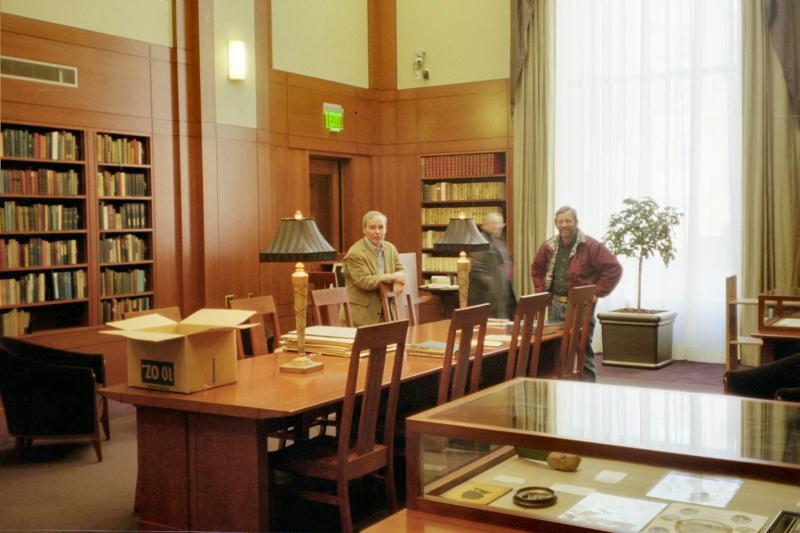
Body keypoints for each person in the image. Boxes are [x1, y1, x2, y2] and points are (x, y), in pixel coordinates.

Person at [531, 206, 622, 382]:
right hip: (555, 305)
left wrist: (597, 292)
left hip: (581, 306)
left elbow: (614, 269)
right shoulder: (548, 246)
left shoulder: (591, 246)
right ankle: (561, 387)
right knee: (556, 349)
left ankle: (588, 387)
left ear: (576, 222)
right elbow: (536, 269)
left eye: (568, 221)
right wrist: (542, 293)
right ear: (556, 223)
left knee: (582, 349)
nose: (564, 225)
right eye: (560, 221)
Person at [342, 210, 405, 326]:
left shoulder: (391, 248)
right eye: (372, 227)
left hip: (386, 312)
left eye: (381, 227)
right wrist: (392, 277)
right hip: (361, 317)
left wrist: (398, 282)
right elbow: (364, 281)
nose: (377, 232)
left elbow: (400, 270)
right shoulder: (355, 253)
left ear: (386, 229)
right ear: (364, 229)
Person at [468, 212, 517, 319]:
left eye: (500, 223)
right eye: (494, 223)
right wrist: (494, 290)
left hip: (501, 297)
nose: (498, 226)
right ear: (485, 225)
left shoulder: (497, 240)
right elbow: (478, 271)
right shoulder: (479, 241)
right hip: (487, 298)